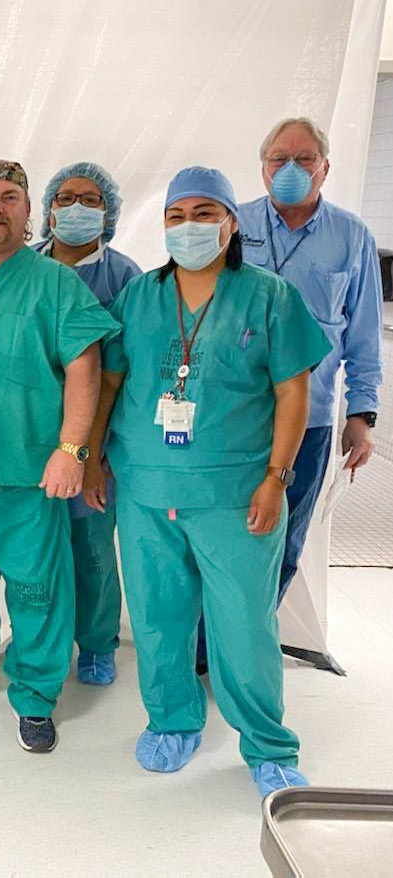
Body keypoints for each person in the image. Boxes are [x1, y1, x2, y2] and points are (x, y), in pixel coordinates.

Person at [85, 167, 330, 797]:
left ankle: (268, 746)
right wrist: (90, 457)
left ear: (230, 222)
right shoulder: (139, 297)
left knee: (243, 622)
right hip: (145, 486)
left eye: (203, 213)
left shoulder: (269, 297)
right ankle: (172, 722)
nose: (188, 227)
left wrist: (277, 478)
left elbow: (292, 391)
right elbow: (110, 381)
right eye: (175, 216)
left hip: (236, 491)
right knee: (159, 616)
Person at [0, 160, 120, 753]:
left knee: (37, 587)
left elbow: (86, 367)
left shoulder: (55, 282)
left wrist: (72, 450)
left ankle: (35, 692)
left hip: (31, 466)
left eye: (11, 197)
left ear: (29, 212)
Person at [237, 117, 383, 605]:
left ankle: (250, 640)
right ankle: (205, 646)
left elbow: (363, 335)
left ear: (325, 167)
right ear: (262, 169)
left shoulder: (350, 235)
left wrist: (361, 416)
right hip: (234, 412)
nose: (290, 168)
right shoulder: (233, 225)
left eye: (304, 159)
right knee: (224, 536)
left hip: (311, 420)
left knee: (284, 540)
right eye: (279, 159)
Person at [34, 162, 142, 687]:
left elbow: (127, 376)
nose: (76, 208)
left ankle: (97, 643)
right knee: (36, 551)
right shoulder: (22, 268)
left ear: (109, 213)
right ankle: (40, 639)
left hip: (96, 445)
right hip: (27, 438)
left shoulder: (125, 279)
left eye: (91, 200)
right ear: (48, 207)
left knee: (93, 549)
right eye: (66, 197)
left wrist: (93, 455)